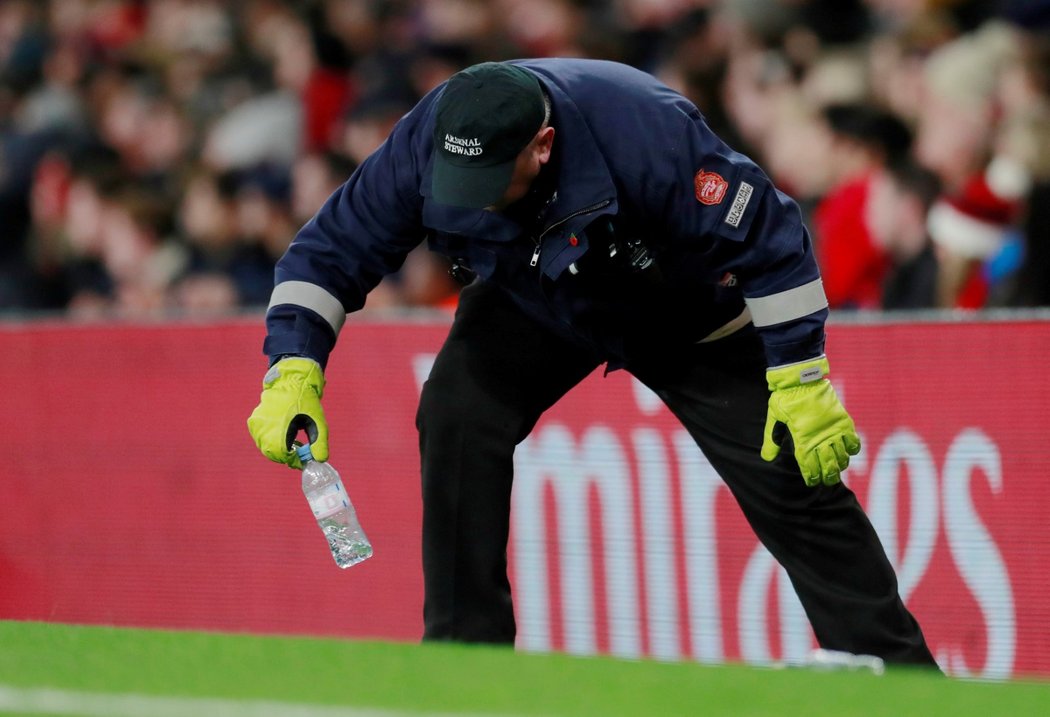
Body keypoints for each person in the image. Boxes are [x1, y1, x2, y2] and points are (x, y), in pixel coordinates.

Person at [247, 59, 937, 667]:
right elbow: (327, 253)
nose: (469, 194)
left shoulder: (647, 135)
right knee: (458, 411)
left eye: (488, 178)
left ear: (543, 146)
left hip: (689, 312)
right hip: (537, 294)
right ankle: (464, 664)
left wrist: (799, 377)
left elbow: (774, 240)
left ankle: (902, 682)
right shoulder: (429, 139)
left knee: (793, 472)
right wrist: (293, 368)